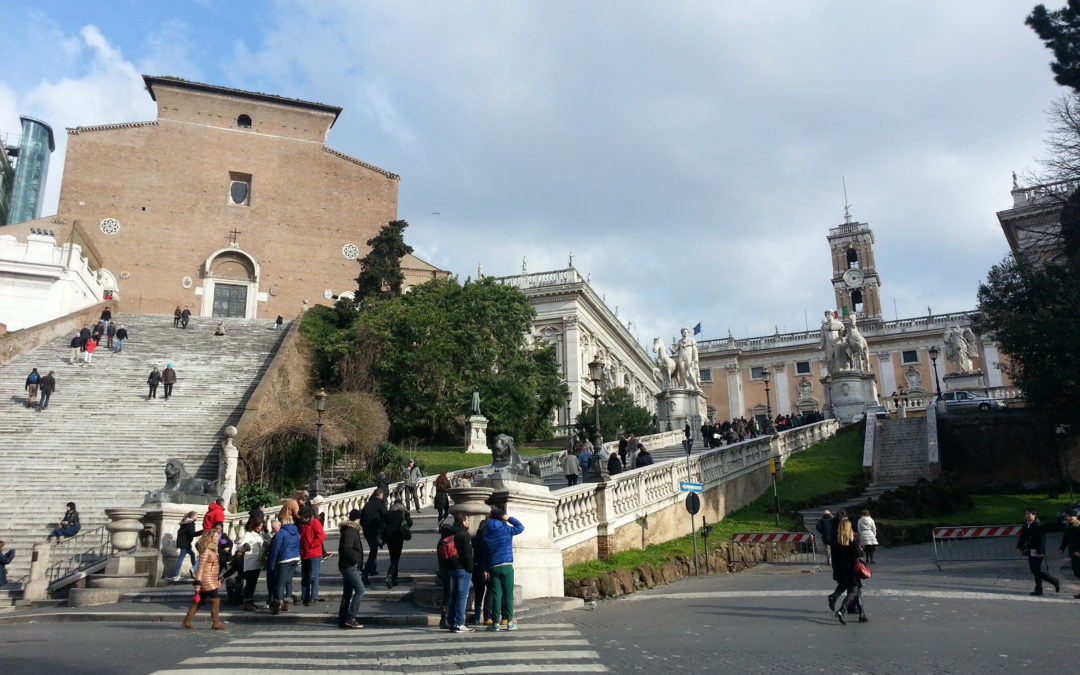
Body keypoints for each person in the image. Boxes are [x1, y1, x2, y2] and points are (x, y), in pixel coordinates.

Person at [482, 506, 525, 631]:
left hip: (493, 566)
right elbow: (521, 528)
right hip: (506, 565)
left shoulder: (486, 532)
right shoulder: (506, 528)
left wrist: (485, 568)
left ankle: (495, 623)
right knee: (508, 595)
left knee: (497, 595)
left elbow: (484, 553)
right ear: (502, 517)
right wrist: (509, 518)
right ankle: (510, 622)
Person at [827, 511, 867, 624]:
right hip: (852, 569)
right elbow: (858, 554)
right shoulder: (852, 540)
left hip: (840, 568)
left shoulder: (836, 540)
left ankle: (862, 614)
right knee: (854, 591)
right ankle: (842, 610)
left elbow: (834, 556)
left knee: (854, 589)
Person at [182, 529, 226, 630]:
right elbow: (200, 567)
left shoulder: (213, 549)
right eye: (215, 536)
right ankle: (215, 622)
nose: (217, 538)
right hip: (206, 579)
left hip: (211, 578)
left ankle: (186, 621)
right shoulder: (206, 551)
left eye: (217, 536)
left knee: (199, 601)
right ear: (210, 539)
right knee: (216, 599)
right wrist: (197, 583)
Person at [1016, 508, 1060, 596]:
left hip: (1037, 550)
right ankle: (1039, 589)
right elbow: (1023, 537)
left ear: (1034, 515)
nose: (1027, 515)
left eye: (1029, 514)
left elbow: (1042, 539)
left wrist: (1040, 550)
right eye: (1026, 514)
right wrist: (1019, 547)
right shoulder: (1025, 525)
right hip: (1029, 550)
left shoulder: (1039, 525)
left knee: (1036, 570)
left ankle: (1053, 581)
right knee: (1034, 570)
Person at [442, 512, 474, 633]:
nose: (469, 522)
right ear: (464, 521)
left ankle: (452, 622)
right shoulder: (463, 535)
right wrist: (470, 569)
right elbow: (467, 555)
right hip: (463, 569)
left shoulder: (450, 533)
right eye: (467, 520)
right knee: (462, 596)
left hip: (452, 568)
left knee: (453, 595)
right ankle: (460, 623)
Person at [338, 509, 365, 628]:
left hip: (346, 565)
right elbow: (347, 548)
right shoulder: (351, 531)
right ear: (358, 519)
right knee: (360, 590)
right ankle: (351, 617)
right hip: (349, 566)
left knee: (347, 593)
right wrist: (355, 560)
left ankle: (342, 619)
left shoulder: (349, 530)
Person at [267, 516, 300, 614]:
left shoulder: (281, 533)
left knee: (280, 583)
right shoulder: (296, 532)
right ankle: (287, 603)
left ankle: (277, 604)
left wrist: (272, 564)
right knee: (288, 581)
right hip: (294, 558)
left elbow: (275, 550)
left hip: (284, 559)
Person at [238, 515, 270, 611]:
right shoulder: (249, 534)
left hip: (258, 562)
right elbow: (240, 546)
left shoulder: (261, 534)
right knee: (250, 584)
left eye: (261, 525)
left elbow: (269, 539)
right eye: (258, 525)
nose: (260, 527)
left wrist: (266, 531)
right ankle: (247, 601)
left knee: (253, 583)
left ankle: (250, 601)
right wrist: (245, 545)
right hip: (251, 562)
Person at [383, 497, 413, 589]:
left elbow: (383, 523)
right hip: (398, 536)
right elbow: (410, 523)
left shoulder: (388, 513)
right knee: (396, 558)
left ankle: (394, 580)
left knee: (393, 556)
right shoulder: (403, 512)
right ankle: (390, 575)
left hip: (388, 537)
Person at [360, 489, 388, 585]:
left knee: (373, 550)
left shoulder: (367, 504)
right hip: (376, 531)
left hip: (367, 532)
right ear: (380, 495)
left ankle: (373, 570)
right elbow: (386, 516)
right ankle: (365, 573)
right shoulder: (381, 504)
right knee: (373, 553)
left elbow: (361, 520)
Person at [299, 505, 325, 606]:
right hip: (305, 553)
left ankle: (314, 597)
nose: (301, 518)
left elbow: (321, 536)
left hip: (314, 553)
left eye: (302, 516)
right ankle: (305, 597)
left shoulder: (315, 523)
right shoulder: (304, 524)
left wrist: (311, 545)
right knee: (305, 577)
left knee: (313, 577)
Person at [470, 513, 492, 626]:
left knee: (479, 592)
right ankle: (487, 616)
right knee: (490, 590)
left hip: (476, 567)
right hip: (485, 567)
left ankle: (477, 617)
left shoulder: (475, 538)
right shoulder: (487, 538)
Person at [169, 511, 199, 581]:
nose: (197, 517)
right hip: (185, 544)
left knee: (192, 554)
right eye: (196, 516)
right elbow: (193, 534)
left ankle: (194, 569)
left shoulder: (185, 522)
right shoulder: (190, 524)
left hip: (184, 543)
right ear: (192, 516)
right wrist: (202, 532)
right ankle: (176, 575)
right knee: (181, 558)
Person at [1059, 509, 1080, 599]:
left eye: (1071, 516)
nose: (1069, 518)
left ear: (1076, 517)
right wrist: (1061, 548)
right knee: (1076, 572)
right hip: (1073, 553)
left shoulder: (1079, 526)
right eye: (1068, 516)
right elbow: (1065, 539)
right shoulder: (1068, 527)